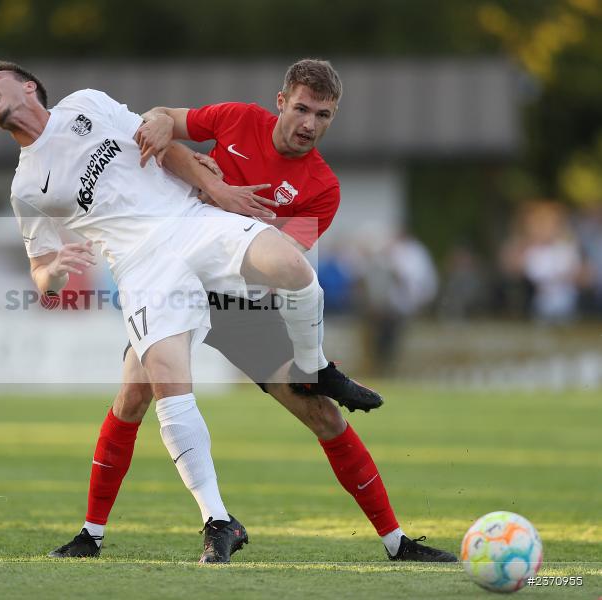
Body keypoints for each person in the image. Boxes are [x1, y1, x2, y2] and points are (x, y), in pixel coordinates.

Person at [49, 59, 455, 562]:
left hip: (239, 304)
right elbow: (162, 119)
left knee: (323, 416)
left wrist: (215, 201)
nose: (309, 124)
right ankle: (91, 535)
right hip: (173, 279)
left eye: (323, 115)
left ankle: (397, 543)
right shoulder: (238, 118)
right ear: (281, 102)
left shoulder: (323, 189)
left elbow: (275, 263)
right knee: (130, 401)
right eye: (302, 108)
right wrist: (168, 137)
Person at [0, 60, 379, 563]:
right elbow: (42, 274)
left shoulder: (85, 104)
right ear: (283, 104)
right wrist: (55, 266)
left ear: (30, 86)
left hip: (195, 230)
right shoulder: (25, 188)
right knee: (152, 394)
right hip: (141, 268)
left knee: (294, 276)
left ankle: (321, 376)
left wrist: (211, 187)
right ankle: (210, 520)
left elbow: (159, 141)